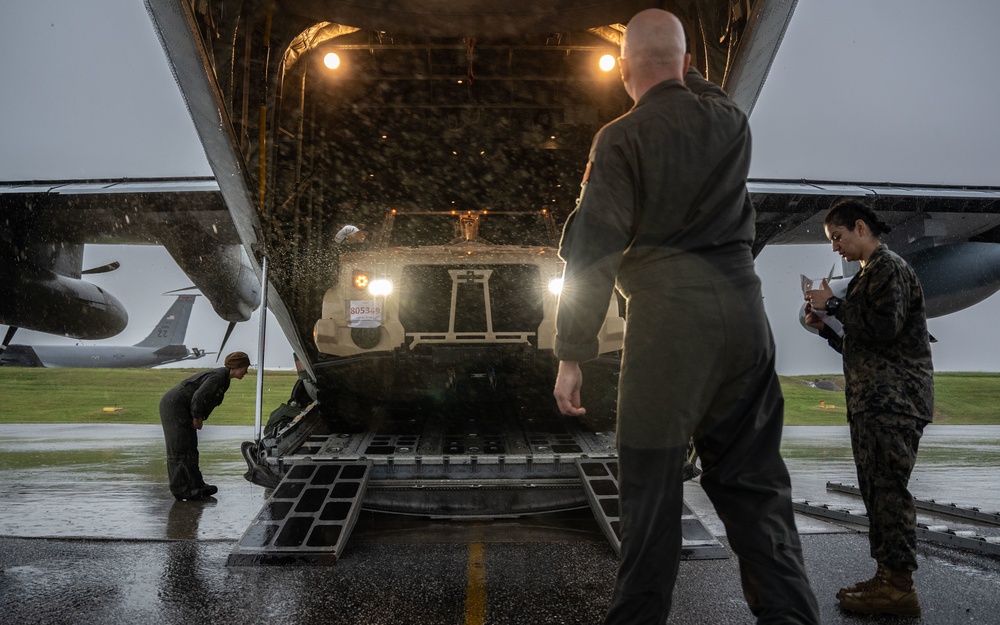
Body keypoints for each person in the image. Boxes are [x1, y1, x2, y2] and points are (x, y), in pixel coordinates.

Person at [552, 9, 819, 624]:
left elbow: (592, 252)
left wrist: (572, 354)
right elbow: (701, 89)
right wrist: (682, 70)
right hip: (745, 318)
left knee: (650, 502)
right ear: (691, 66)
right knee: (758, 499)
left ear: (622, 73)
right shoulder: (731, 123)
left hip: (671, 323)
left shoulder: (620, 138)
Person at [804, 199, 933, 617]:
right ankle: (886, 578)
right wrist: (826, 328)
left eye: (837, 238)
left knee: (889, 492)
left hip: (893, 401)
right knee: (876, 492)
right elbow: (863, 343)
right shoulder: (868, 275)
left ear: (860, 227)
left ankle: (899, 586)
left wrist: (834, 305)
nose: (835, 248)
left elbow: (884, 327)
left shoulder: (887, 267)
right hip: (874, 400)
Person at [160, 351, 251, 501]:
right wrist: (197, 416)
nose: (246, 372)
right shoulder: (218, 377)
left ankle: (196, 485)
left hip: (184, 409)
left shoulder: (224, 379)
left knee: (191, 448)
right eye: (245, 367)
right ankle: (180, 490)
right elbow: (199, 396)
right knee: (179, 449)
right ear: (237, 366)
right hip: (174, 408)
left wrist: (197, 415)